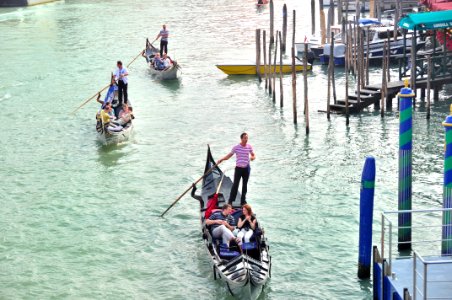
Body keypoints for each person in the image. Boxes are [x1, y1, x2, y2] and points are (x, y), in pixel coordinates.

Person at [218, 133, 256, 206]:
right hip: (238, 169)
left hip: (246, 169)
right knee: (235, 185)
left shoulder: (249, 147)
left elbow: (253, 155)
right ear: (241, 139)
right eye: (245, 138)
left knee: (245, 185)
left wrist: (252, 158)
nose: (246, 139)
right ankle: (230, 201)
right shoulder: (236, 147)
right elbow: (229, 156)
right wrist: (222, 159)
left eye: (247, 138)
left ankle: (243, 202)